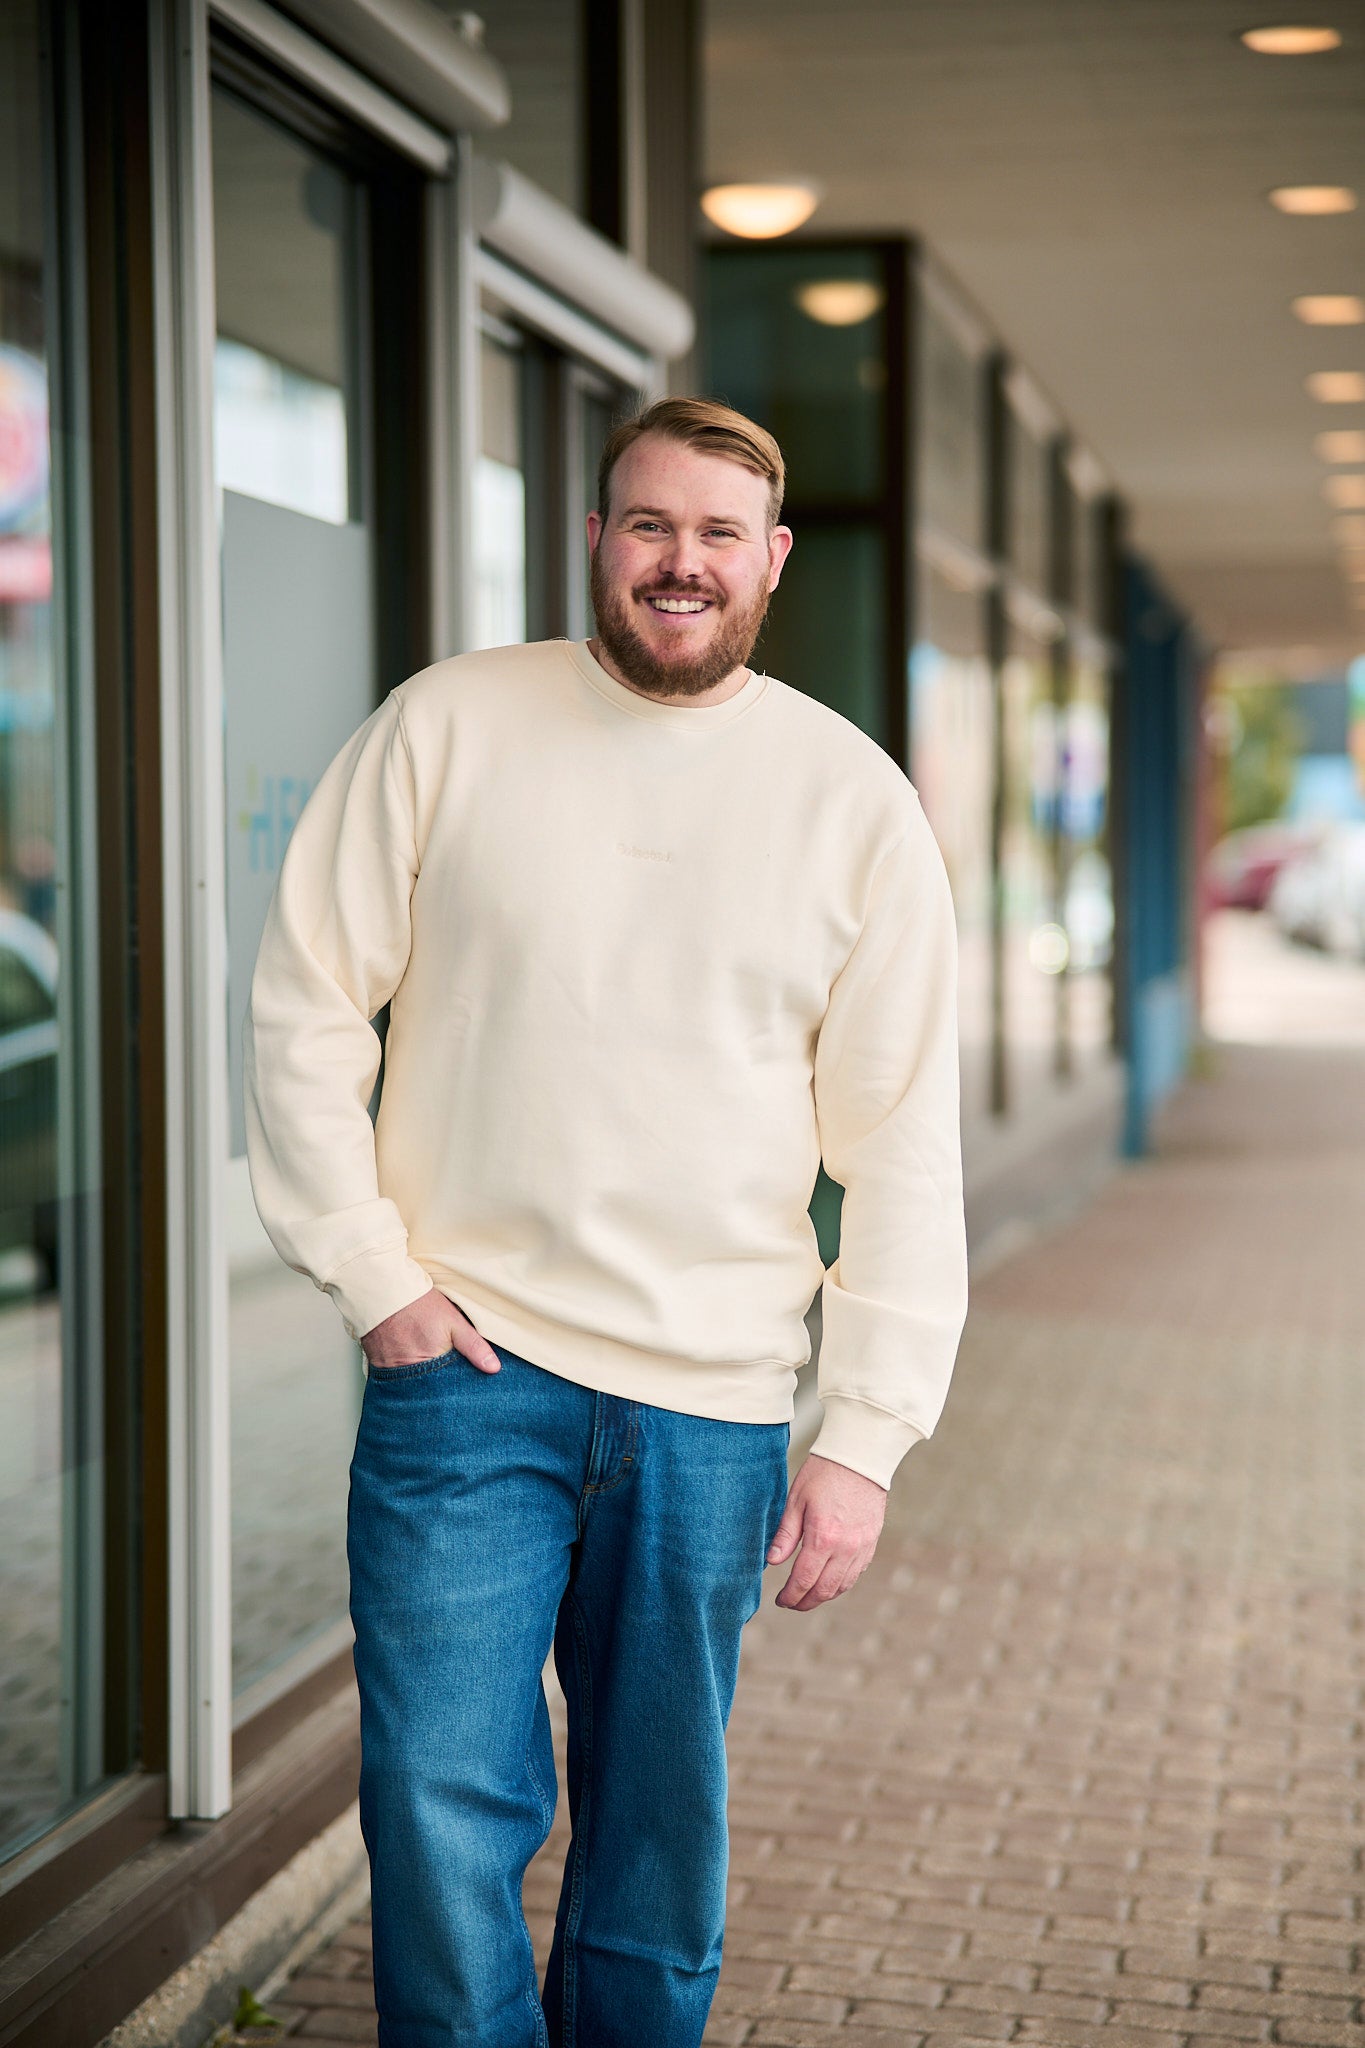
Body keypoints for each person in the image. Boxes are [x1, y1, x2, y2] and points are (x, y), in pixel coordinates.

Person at [242, 396, 968, 2048]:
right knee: (437, 1803)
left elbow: (899, 1145)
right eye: (649, 525)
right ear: (595, 537)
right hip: (465, 1371)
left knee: (655, 1831)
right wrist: (375, 1280)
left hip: (712, 1402)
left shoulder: (847, 801)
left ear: (772, 561)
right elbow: (301, 1010)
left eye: (719, 533)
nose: (679, 562)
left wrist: (860, 1434)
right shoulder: (448, 727)